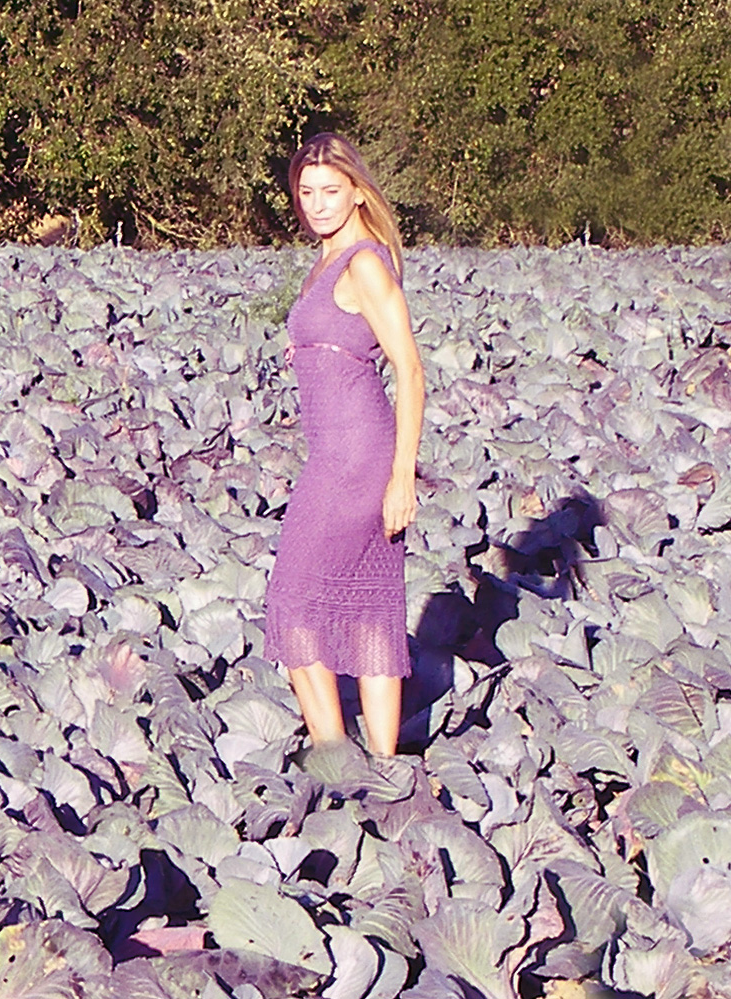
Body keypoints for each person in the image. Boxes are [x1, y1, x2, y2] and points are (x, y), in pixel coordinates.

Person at [262, 133, 424, 757]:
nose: (318, 204)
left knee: (292, 601)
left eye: (331, 191)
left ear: (358, 192)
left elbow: (410, 370)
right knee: (370, 605)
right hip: (335, 451)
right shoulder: (326, 261)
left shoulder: (363, 264)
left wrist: (402, 478)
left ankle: (333, 755)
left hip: (356, 458)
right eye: (306, 192)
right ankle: (385, 767)